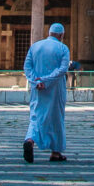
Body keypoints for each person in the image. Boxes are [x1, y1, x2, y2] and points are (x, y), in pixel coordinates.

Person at [23, 23, 70, 163]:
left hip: (38, 89)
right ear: (61, 35)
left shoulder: (35, 46)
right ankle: (56, 153)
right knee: (56, 118)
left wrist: (36, 82)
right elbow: (62, 70)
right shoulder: (63, 48)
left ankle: (30, 140)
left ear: (49, 33)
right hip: (55, 89)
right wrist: (46, 80)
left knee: (36, 115)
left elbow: (27, 67)